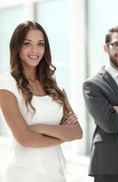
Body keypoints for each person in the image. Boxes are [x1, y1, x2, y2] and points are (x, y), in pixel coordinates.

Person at [0, 20, 83, 182]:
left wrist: (40, 128)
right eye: (27, 43)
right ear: (17, 47)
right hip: (24, 173)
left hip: (56, 172)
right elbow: (25, 139)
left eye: (40, 44)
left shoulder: (54, 84)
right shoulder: (6, 83)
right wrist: (63, 134)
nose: (35, 50)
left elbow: (77, 132)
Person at [82, 25, 118, 182]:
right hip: (108, 167)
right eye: (116, 45)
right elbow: (109, 123)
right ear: (106, 47)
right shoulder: (93, 84)